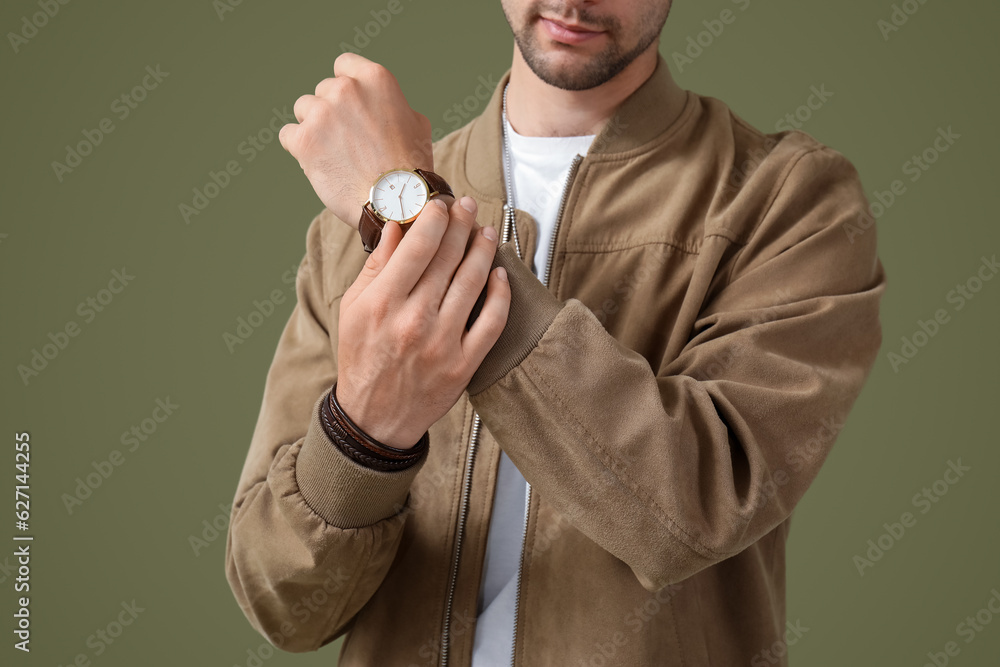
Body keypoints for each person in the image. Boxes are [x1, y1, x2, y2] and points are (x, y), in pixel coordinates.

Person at [224, 1, 887, 665]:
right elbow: (280, 601)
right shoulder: (349, 231)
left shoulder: (789, 200)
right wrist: (364, 438)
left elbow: (691, 515)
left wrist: (403, 204)